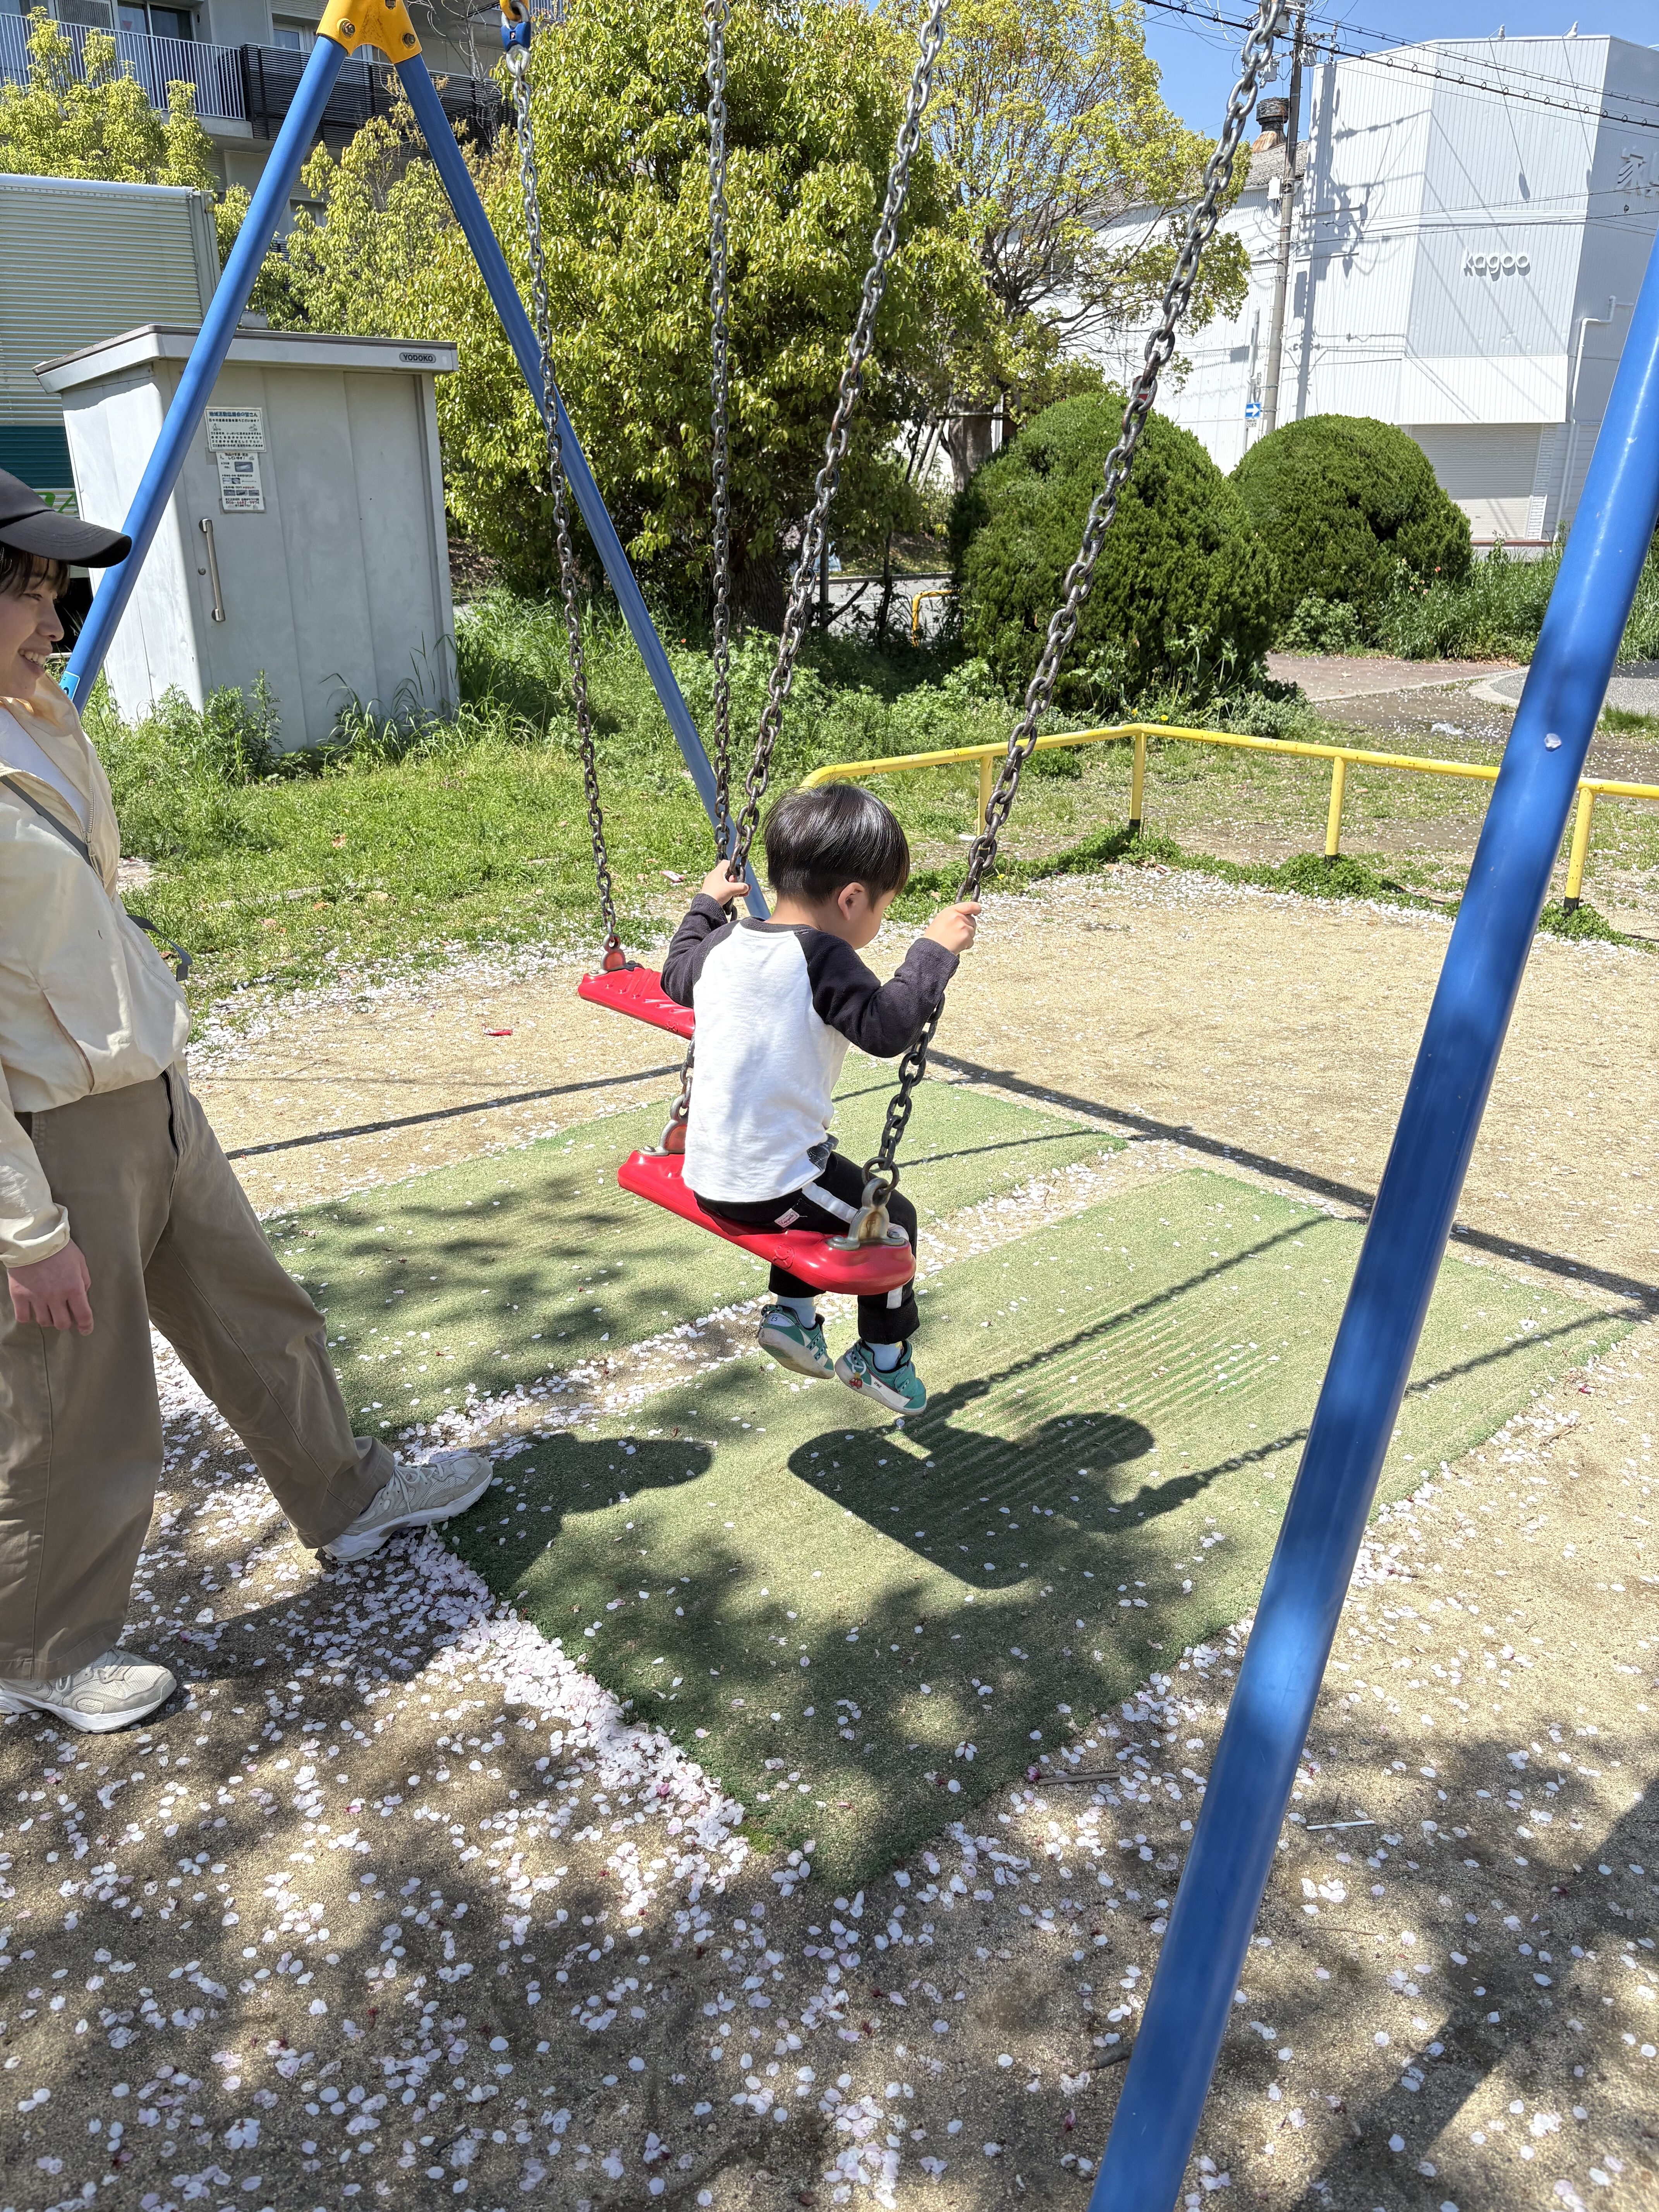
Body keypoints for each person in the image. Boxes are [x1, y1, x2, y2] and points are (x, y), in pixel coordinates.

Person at [0, 468, 493, 1736]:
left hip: (151, 1094)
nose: (53, 623)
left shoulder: (34, 717)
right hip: (54, 1141)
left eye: (55, 591)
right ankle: (45, 1644)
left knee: (255, 1310)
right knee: (76, 1406)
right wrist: (28, 1231)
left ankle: (346, 1493)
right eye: (27, 591)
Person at [659, 780, 977, 1415]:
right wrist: (933, 953)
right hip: (763, 1189)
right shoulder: (824, 959)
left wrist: (705, 903)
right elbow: (886, 1029)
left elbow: (676, 974)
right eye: (883, 910)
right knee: (891, 1222)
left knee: (822, 1182)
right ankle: (882, 1361)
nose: (879, 922)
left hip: (706, 1171)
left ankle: (795, 1315)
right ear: (852, 898)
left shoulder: (725, 943)